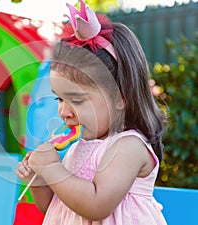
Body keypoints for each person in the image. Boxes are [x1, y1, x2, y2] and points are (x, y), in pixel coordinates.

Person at [16, 0, 168, 224]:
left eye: (76, 100)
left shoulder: (128, 146)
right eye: (59, 98)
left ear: (120, 97)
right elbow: (53, 206)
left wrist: (52, 168)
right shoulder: (77, 147)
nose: (64, 112)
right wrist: (38, 178)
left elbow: (97, 205)